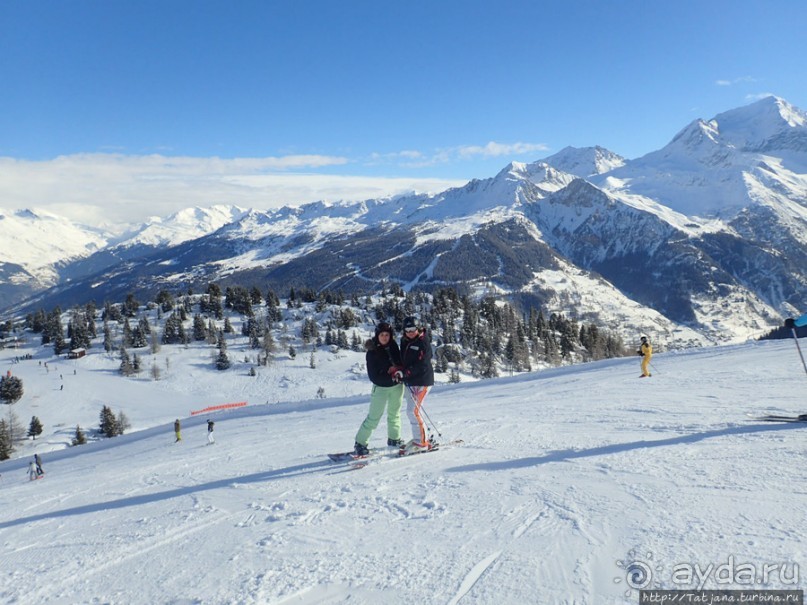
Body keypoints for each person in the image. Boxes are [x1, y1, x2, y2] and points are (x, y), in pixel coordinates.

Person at [352, 322, 404, 456]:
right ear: (377, 335)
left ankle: (394, 439)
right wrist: (390, 376)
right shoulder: (372, 351)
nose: (385, 337)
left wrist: (399, 372)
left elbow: (399, 363)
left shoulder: (393, 346)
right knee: (374, 417)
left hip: (397, 387)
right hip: (381, 389)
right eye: (382, 335)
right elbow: (373, 376)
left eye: (387, 335)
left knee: (395, 415)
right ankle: (360, 443)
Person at [399, 316, 435, 454]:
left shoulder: (423, 343)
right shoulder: (405, 340)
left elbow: (423, 365)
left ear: (418, 328)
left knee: (413, 411)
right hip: (410, 381)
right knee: (413, 412)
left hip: (422, 381)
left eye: (412, 329)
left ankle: (422, 443)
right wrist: (400, 371)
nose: (410, 332)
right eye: (407, 329)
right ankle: (419, 437)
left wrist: (406, 372)